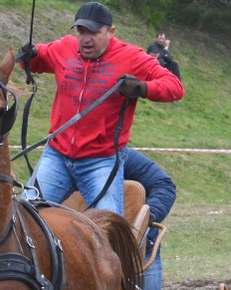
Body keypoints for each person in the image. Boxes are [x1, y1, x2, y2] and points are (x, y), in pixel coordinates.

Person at [16, 1, 184, 215]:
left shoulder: (131, 57)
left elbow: (175, 87)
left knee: (108, 230)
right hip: (57, 155)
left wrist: (141, 88)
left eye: (94, 32)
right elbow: (36, 60)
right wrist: (28, 55)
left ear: (111, 32)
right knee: (24, 217)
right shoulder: (64, 48)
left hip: (101, 160)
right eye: (81, 31)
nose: (86, 38)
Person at [122, 147, 176, 290]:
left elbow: (163, 186)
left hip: (140, 249)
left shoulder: (123, 156)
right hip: (83, 252)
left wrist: (145, 217)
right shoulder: (57, 163)